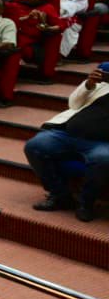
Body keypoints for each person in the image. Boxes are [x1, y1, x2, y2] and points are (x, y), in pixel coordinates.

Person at [24, 66, 109, 223]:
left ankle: (86, 203)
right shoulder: (102, 83)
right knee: (35, 145)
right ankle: (60, 195)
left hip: (102, 143)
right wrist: (89, 84)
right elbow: (73, 104)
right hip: (69, 134)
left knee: (103, 159)